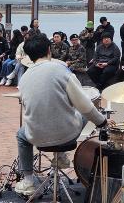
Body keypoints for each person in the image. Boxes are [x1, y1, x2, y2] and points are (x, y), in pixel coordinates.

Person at [14, 34, 113, 196]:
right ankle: (61, 157)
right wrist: (102, 122)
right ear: (49, 50)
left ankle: (28, 181)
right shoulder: (61, 70)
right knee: (83, 111)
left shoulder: (24, 79)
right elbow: (85, 105)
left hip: (36, 136)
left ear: (29, 57)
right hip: (67, 136)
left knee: (21, 135)